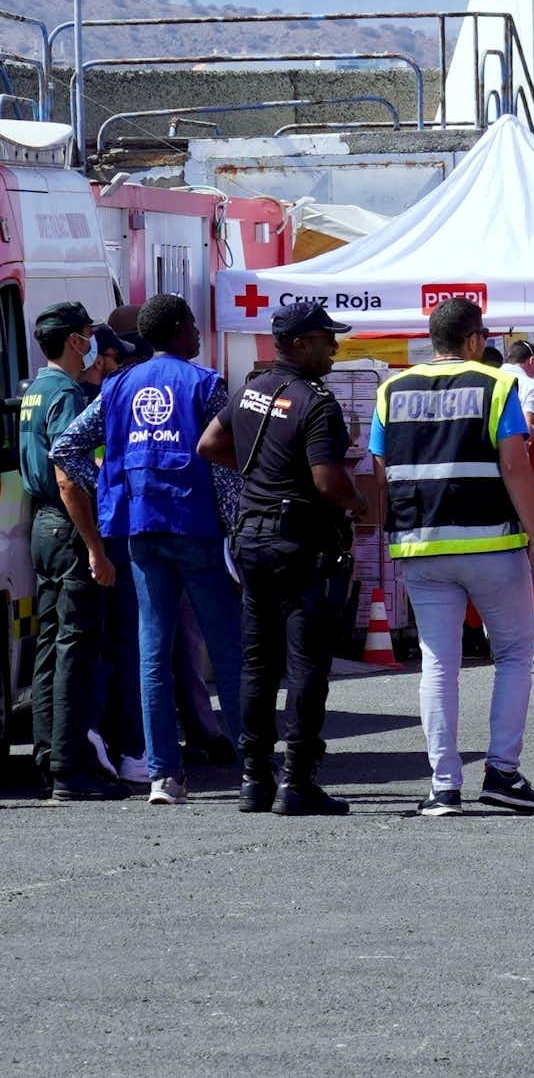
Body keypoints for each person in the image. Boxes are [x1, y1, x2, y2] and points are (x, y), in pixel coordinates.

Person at [372, 296, 534, 817]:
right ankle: (502, 772)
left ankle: (444, 785)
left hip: (421, 546)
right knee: (515, 654)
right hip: (491, 542)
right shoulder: (500, 385)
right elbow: (516, 467)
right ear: (475, 340)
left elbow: (382, 471)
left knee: (438, 662)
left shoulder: (391, 389)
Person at [197, 299, 362, 815]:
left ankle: (253, 779)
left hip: (252, 538)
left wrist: (257, 477)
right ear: (296, 344)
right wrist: (359, 504)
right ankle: (297, 781)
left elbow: (209, 445)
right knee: (307, 664)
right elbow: (327, 481)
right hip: (300, 543)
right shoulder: (317, 404)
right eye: (325, 339)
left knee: (258, 662)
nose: (334, 347)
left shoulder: (251, 390)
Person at [85, 295, 240, 806]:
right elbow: (221, 461)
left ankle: (162, 776)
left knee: (152, 651)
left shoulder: (116, 385)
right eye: (193, 324)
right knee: (227, 648)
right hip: (195, 527)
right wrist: (235, 524)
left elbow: (66, 446)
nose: (198, 332)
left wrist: (110, 483)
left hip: (140, 528)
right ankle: (252, 763)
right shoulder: (205, 383)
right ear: (176, 330)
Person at [23, 301, 118, 801]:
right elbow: (67, 475)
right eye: (87, 333)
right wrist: (95, 547)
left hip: (42, 527)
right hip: (67, 523)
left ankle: (48, 757)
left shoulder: (34, 391)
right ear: (75, 341)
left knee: (49, 647)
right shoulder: (63, 393)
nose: (93, 341)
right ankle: (68, 769)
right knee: (76, 649)